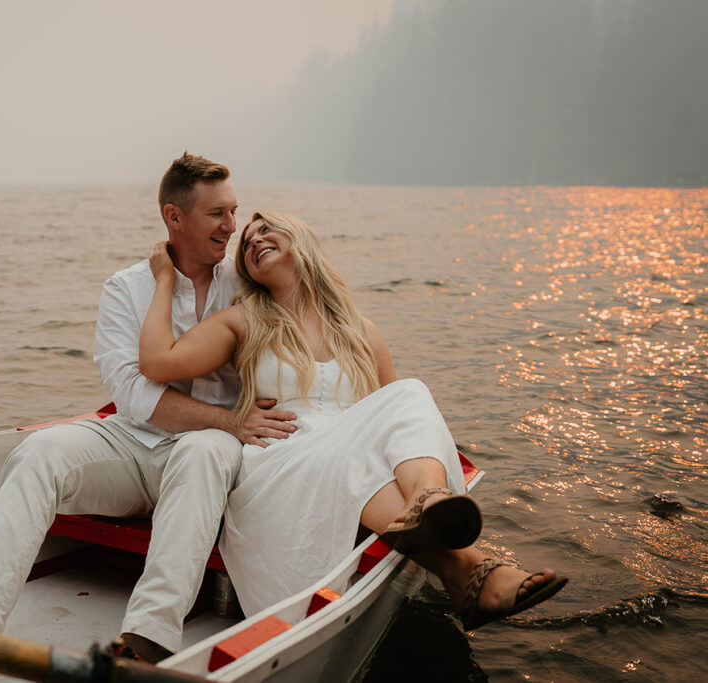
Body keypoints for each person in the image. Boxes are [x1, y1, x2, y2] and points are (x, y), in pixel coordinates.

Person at [0, 153, 300, 682]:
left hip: (215, 452)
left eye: (233, 211)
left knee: (203, 449)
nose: (231, 226)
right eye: (216, 214)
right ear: (173, 217)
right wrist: (227, 419)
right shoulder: (125, 288)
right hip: (134, 444)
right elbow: (132, 394)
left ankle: (146, 644)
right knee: (39, 452)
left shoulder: (247, 283)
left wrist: (231, 425)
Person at [138, 210, 568, 627]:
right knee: (366, 443)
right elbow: (158, 363)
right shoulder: (243, 321)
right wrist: (164, 279)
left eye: (267, 229)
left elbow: (398, 423)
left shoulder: (361, 330)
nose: (254, 240)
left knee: (407, 395)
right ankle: (468, 562)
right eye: (247, 243)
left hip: (347, 461)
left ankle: (429, 503)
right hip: (279, 462)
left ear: (300, 239)